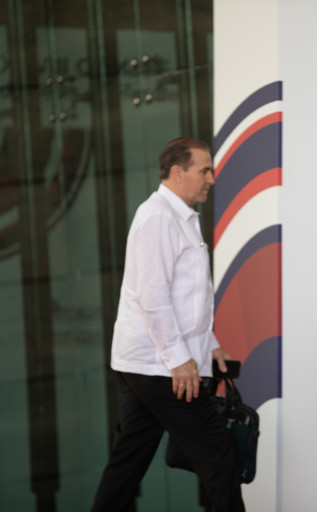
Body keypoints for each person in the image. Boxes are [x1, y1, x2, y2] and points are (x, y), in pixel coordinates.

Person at [92, 138, 244, 511]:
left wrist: (209, 344)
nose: (211, 179)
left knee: (129, 461)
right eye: (204, 171)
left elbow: (186, 297)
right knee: (217, 449)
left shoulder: (179, 216)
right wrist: (179, 360)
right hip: (160, 367)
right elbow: (154, 296)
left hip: (148, 365)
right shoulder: (158, 218)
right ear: (177, 172)